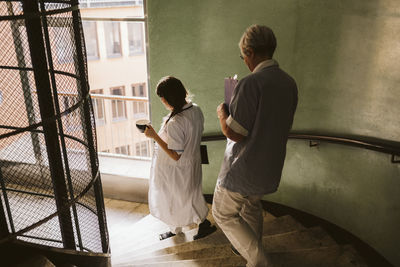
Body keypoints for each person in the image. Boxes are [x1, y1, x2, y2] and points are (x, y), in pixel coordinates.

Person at [212, 25, 298, 267]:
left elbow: (235, 133)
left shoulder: (251, 83)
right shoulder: (289, 83)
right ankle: (253, 252)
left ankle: (259, 261)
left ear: (249, 51)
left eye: (243, 56)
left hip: (244, 168)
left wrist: (222, 114)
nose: (245, 62)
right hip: (270, 166)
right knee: (251, 206)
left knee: (222, 214)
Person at [144, 76, 217, 241]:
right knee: (191, 195)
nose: (162, 101)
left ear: (167, 98)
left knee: (176, 198)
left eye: (161, 98)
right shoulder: (195, 110)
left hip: (177, 169)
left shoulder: (176, 121)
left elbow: (175, 154)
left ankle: (188, 226)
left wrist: (154, 135)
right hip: (191, 163)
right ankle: (178, 227)